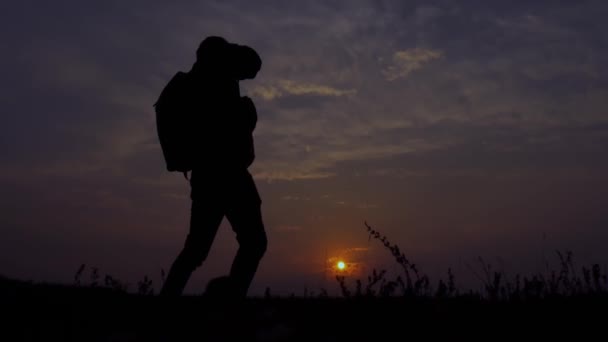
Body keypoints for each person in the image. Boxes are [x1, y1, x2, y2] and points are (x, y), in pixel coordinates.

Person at [159, 36, 266, 298]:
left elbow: (252, 64)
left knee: (197, 251)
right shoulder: (213, 83)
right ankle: (229, 299)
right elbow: (252, 64)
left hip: (211, 177)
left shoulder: (203, 81)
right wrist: (245, 114)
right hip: (226, 175)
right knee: (251, 243)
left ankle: (167, 304)